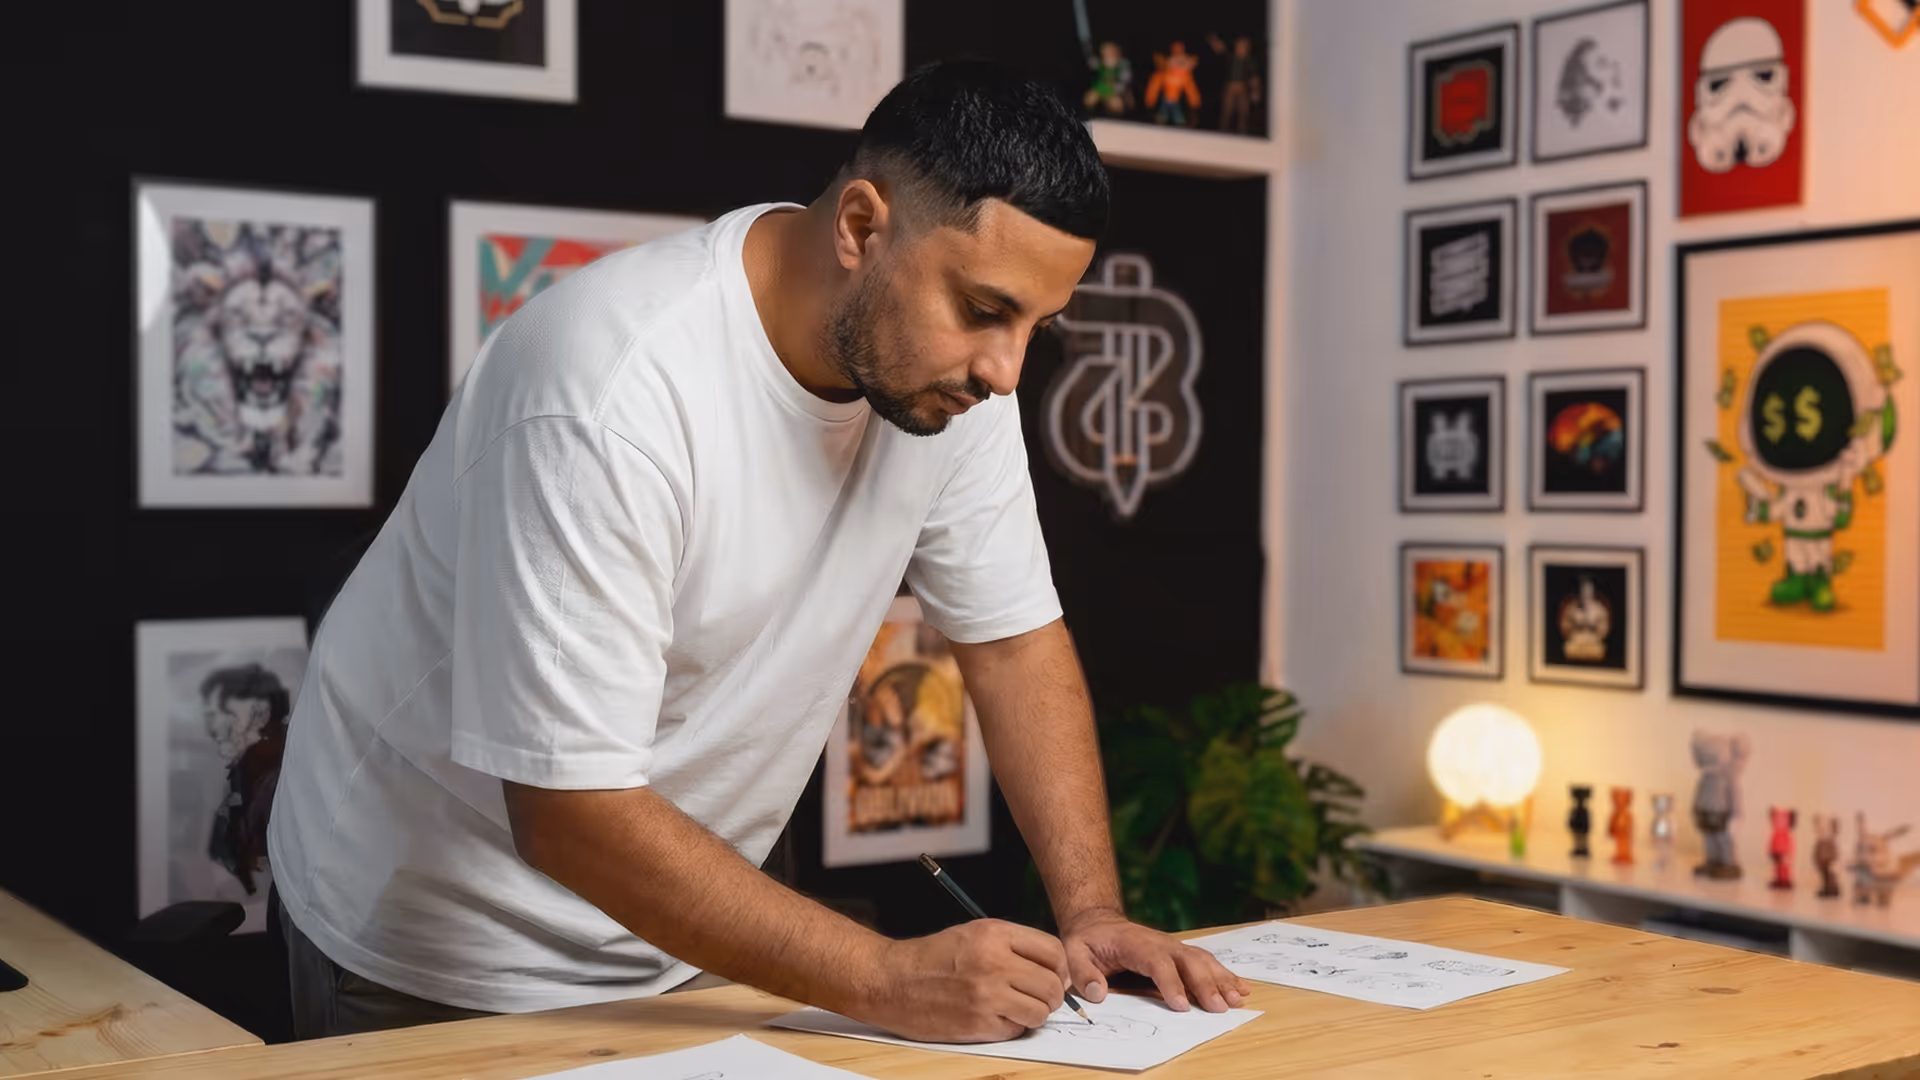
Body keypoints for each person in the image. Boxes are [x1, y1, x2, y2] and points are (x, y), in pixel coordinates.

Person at [265, 60, 1247, 1043]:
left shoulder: (954, 388)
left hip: (683, 938)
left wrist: (1093, 913)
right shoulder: (608, 392)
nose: (1006, 369)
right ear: (861, 228)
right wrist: (881, 975)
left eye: (1037, 324)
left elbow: (1013, 645)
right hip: (436, 944)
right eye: (985, 309)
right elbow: (569, 813)